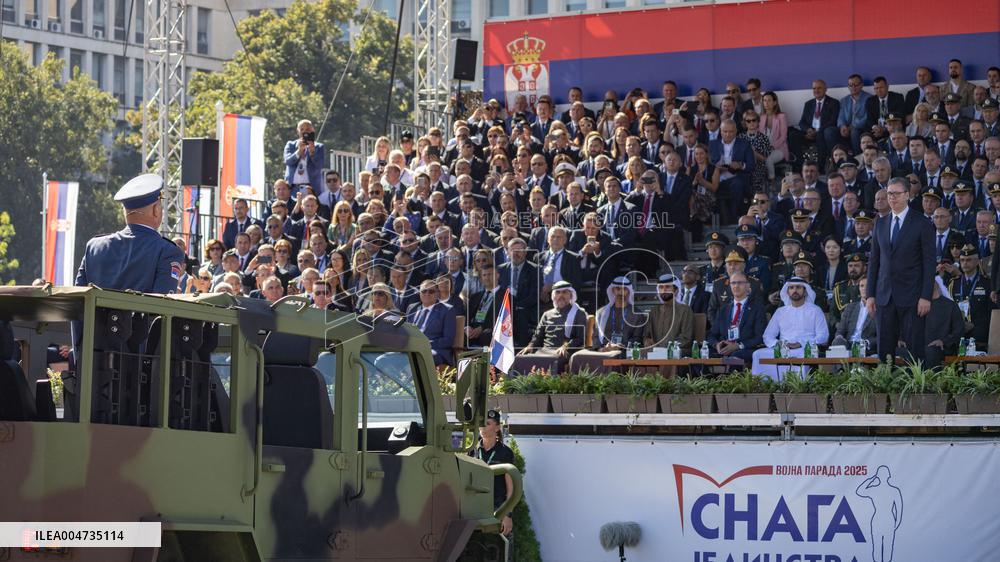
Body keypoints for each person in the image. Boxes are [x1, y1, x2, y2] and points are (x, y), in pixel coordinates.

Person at [75, 173, 185, 294]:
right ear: (156, 210)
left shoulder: (94, 246)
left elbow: (78, 297)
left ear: (124, 212)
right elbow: (164, 305)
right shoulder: (167, 251)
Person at [866, 177, 936, 361]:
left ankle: (916, 388)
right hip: (884, 296)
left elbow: (929, 264)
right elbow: (874, 262)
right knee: (885, 350)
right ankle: (885, 386)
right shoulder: (880, 224)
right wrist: (870, 294)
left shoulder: (922, 223)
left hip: (912, 296)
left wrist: (925, 296)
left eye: (896, 194)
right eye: (889, 193)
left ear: (907, 195)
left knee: (915, 350)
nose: (892, 198)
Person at [752, 277, 829, 380]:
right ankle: (765, 387)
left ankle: (798, 388)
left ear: (805, 291)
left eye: (798, 287)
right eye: (791, 288)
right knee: (758, 354)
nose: (795, 290)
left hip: (805, 348)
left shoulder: (815, 310)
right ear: (787, 292)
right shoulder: (780, 311)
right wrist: (779, 344)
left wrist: (801, 343)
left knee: (802, 355)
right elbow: (768, 335)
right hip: (784, 348)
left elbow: (823, 336)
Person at [569, 277, 644, 372]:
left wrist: (620, 346)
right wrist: (602, 349)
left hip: (623, 351)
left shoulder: (637, 314)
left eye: (624, 289)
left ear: (629, 291)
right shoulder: (601, 313)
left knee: (613, 358)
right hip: (602, 349)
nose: (621, 292)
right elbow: (595, 336)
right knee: (576, 357)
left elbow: (637, 339)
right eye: (618, 289)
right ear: (612, 290)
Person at [515, 281, 587, 375]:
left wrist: (566, 346)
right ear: (554, 296)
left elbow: (580, 338)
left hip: (564, 351)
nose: (561, 295)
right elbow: (538, 336)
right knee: (520, 358)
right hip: (545, 350)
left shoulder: (579, 313)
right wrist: (530, 346)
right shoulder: (547, 314)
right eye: (558, 292)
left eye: (565, 292)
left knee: (552, 360)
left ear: (571, 295)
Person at [468, 409, 515, 537]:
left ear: (497, 427)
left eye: (487, 424)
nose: (482, 427)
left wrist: (507, 515)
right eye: (481, 424)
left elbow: (511, 489)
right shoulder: (472, 450)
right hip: (475, 511)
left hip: (497, 512)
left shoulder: (505, 452)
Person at [706, 272, 763, 366]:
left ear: (748, 286)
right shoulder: (724, 309)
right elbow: (712, 334)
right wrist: (717, 345)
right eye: (733, 283)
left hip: (744, 349)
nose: (736, 286)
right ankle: (709, 381)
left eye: (740, 283)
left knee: (735, 356)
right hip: (724, 348)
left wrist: (737, 346)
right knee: (703, 355)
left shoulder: (757, 308)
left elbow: (759, 337)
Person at [405, 279, 457, 366]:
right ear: (419, 293)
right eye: (424, 291)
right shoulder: (412, 308)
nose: (427, 294)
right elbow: (406, 333)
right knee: (383, 359)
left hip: (435, 351)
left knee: (422, 357)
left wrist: (426, 344)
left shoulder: (447, 310)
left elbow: (448, 340)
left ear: (437, 294)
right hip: (412, 349)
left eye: (431, 291)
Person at [643, 274, 694, 351]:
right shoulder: (654, 311)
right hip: (655, 354)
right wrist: (647, 341)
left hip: (676, 355)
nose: (663, 290)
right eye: (661, 287)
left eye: (667, 287)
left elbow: (686, 339)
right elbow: (647, 335)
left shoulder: (685, 310)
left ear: (676, 291)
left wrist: (664, 347)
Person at [924, 276, 965, 369]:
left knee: (931, 352)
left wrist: (943, 341)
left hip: (942, 348)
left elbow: (959, 331)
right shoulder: (918, 304)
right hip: (919, 347)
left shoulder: (951, 306)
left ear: (937, 284)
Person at [831, 277, 877, 350]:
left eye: (867, 286)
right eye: (861, 286)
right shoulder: (850, 307)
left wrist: (867, 343)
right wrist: (839, 339)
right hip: (848, 345)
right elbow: (840, 331)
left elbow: (882, 336)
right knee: (837, 343)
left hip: (866, 346)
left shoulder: (879, 309)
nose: (864, 288)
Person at [284, 119, 325, 193]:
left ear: (312, 130)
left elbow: (320, 165)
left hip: (311, 188)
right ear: (298, 131)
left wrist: (312, 152)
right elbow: (288, 161)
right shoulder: (291, 145)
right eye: (302, 129)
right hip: (292, 188)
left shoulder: (319, 147)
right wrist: (299, 151)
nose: (305, 131)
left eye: (308, 129)